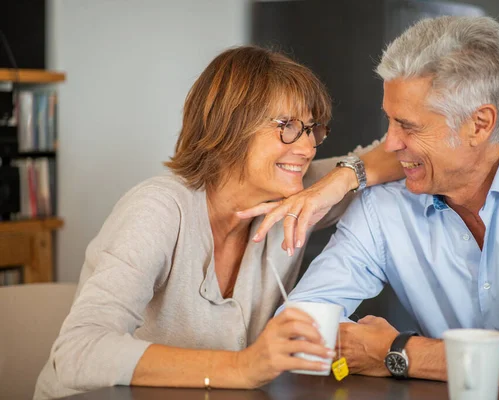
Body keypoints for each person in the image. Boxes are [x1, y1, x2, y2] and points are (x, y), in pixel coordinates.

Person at [34, 45, 404, 399]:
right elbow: (77, 352)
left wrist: (338, 182)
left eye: (311, 128)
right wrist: (244, 368)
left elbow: (398, 152)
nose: (307, 148)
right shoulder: (159, 209)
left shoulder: (300, 194)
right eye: (287, 126)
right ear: (229, 127)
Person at [273, 16, 499, 393]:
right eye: (389, 122)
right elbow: (296, 327)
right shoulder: (384, 207)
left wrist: (397, 352)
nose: (390, 145)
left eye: (408, 126)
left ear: (479, 124)